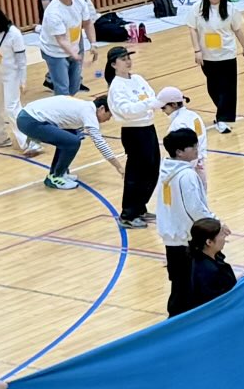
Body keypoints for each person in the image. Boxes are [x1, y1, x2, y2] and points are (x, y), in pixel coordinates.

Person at [100, 47, 161, 228]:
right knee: (137, 173)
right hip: (134, 132)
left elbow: (152, 97)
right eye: (123, 59)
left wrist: (147, 104)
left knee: (152, 169)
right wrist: (147, 104)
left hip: (148, 128)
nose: (128, 61)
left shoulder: (138, 79)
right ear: (113, 64)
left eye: (128, 58)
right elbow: (127, 111)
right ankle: (128, 214)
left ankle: (140, 207)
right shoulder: (116, 86)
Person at [156, 128, 213, 309]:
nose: (197, 148)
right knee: (189, 288)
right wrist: (214, 224)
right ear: (180, 152)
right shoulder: (186, 175)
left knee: (179, 286)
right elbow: (195, 208)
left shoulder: (166, 169)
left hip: (172, 238)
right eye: (192, 146)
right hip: (187, 239)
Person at [15, 90, 114, 192]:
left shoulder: (84, 106)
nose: (109, 119)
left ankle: (58, 172)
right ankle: (56, 178)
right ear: (102, 108)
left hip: (27, 116)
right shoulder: (89, 113)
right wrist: (119, 167)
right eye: (109, 115)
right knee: (72, 142)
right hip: (30, 120)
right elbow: (100, 143)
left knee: (70, 136)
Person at [189, 0, 244, 132]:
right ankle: (222, 111)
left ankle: (222, 119)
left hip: (227, 54)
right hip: (207, 55)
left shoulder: (230, 9)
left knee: (227, 89)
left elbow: (237, 29)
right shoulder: (198, 8)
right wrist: (197, 50)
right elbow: (192, 29)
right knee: (213, 88)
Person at [0, 4, 33, 156]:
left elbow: (21, 60)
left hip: (11, 75)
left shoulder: (13, 34)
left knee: (12, 108)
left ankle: (29, 142)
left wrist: (23, 80)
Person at [179, 219, 239, 314]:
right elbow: (221, 299)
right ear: (209, 242)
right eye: (221, 234)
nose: (225, 236)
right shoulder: (208, 271)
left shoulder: (210, 257)